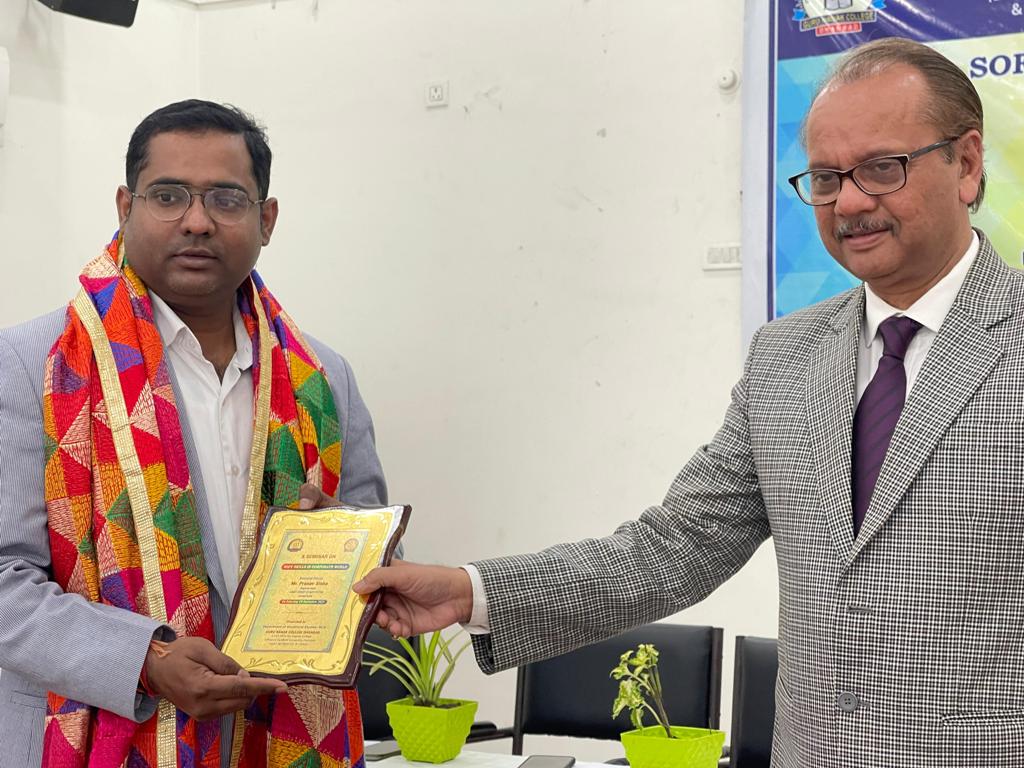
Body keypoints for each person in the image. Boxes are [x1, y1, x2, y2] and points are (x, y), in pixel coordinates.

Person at [349, 38, 1019, 766]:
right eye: (827, 178)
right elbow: (677, 546)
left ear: (967, 164)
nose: (850, 202)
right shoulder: (786, 356)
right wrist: (469, 591)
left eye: (883, 168)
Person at [0, 101, 387, 768]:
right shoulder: (36, 366)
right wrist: (145, 659)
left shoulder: (323, 380)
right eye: (168, 195)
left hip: (280, 734)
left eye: (226, 199)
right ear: (125, 207)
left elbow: (379, 565)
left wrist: (345, 548)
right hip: (96, 731)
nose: (198, 221)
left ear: (267, 220)